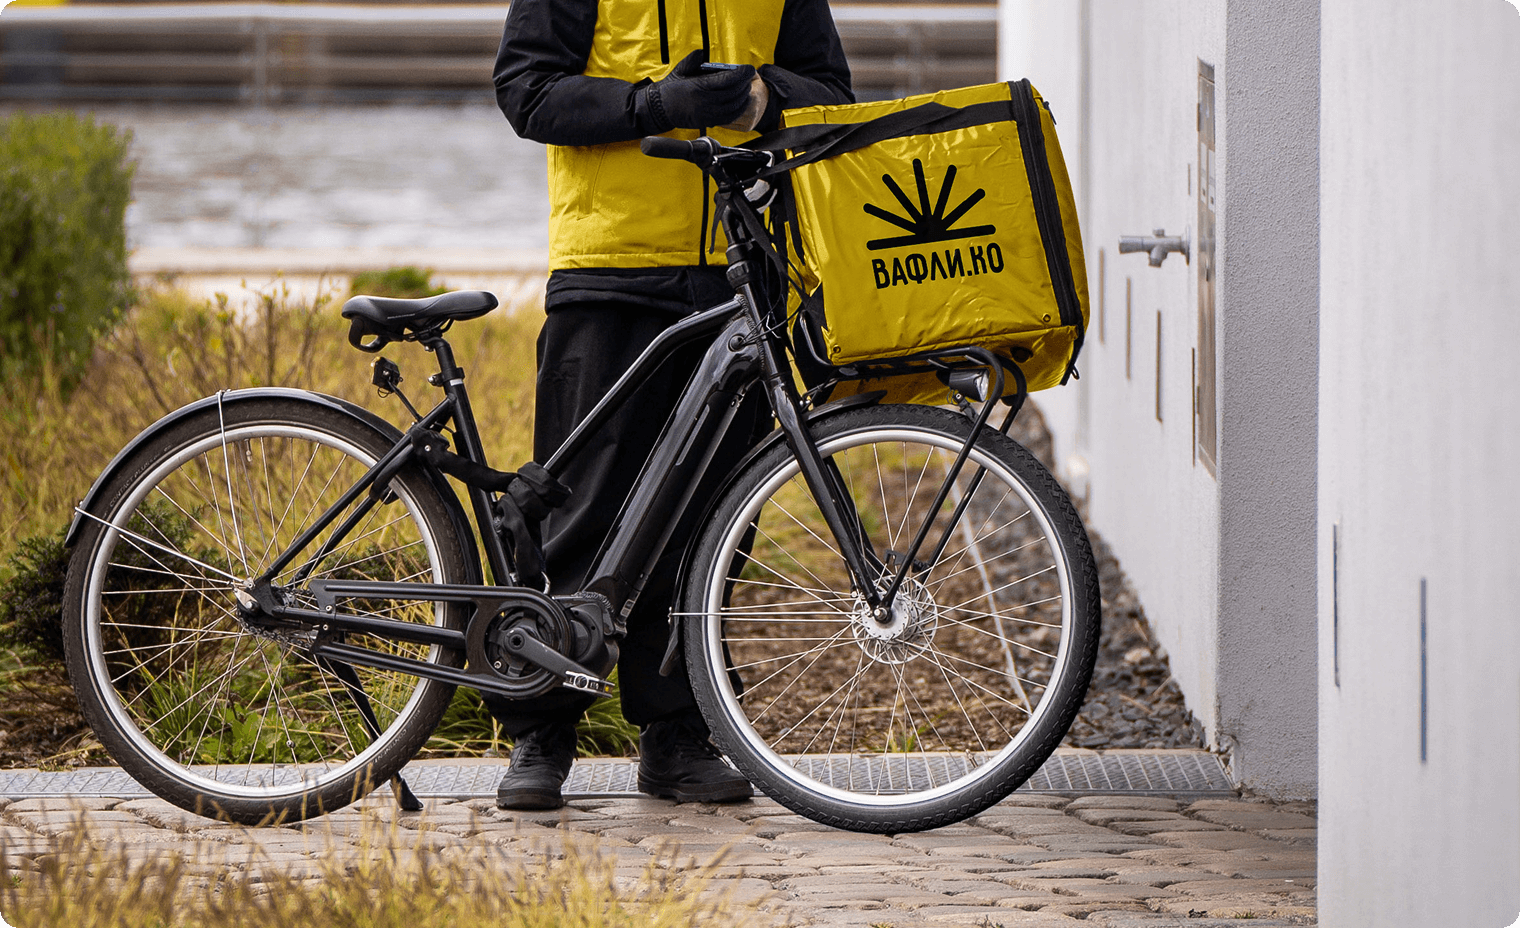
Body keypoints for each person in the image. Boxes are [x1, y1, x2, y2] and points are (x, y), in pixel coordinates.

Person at [488, 0, 853, 809]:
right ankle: (542, 729)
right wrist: (652, 104)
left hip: (741, 264)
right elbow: (526, 92)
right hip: (607, 264)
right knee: (576, 511)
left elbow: (833, 93)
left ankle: (678, 736)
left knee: (713, 519)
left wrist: (760, 99)